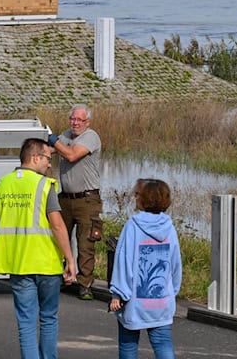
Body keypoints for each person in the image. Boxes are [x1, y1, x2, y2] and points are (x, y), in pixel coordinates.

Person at [0, 138, 78, 359]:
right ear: (35, 157)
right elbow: (57, 225)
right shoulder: (45, 185)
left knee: (26, 322)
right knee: (48, 317)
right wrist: (70, 259)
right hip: (47, 264)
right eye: (48, 158)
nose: (49, 164)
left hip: (18, 264)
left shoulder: (1, 185)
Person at [109, 178, 182, 359]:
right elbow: (175, 264)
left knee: (128, 343)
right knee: (163, 342)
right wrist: (172, 291)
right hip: (161, 300)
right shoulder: (169, 227)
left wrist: (118, 292)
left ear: (142, 199)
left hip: (135, 300)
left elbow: (124, 261)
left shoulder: (133, 226)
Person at [47, 103, 103, 300]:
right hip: (66, 197)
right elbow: (50, 150)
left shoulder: (91, 137)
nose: (75, 123)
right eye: (73, 119)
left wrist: (54, 142)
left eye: (80, 120)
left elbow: (71, 155)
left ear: (87, 122)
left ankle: (85, 284)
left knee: (85, 242)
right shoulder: (65, 135)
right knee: (59, 239)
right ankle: (60, 278)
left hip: (87, 199)